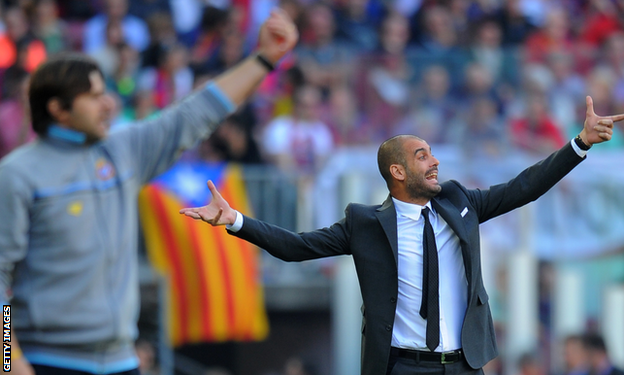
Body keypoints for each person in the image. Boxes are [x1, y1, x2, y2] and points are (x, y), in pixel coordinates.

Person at [180, 97, 622, 375]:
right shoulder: (366, 224)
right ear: (397, 172)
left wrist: (578, 144)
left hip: (466, 366)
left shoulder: (461, 202)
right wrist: (236, 220)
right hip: (403, 367)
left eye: (432, 153)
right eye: (422, 155)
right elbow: (297, 248)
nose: (434, 162)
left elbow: (524, 187)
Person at [0, 9, 298, 375]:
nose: (109, 103)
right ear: (58, 110)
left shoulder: (122, 150)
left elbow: (196, 112)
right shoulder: (17, 175)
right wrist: (8, 363)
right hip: (49, 364)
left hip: (122, 363)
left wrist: (264, 58)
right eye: (94, 96)